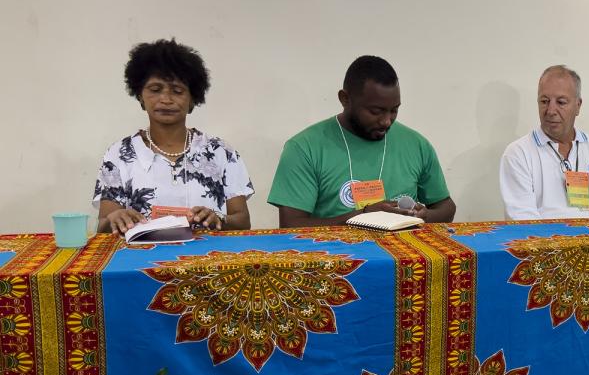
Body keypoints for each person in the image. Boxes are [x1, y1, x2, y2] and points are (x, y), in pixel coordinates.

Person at [269, 55, 456, 227]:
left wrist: (425, 216)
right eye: (375, 111)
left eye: (394, 110)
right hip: (336, 258)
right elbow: (291, 226)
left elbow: (446, 207)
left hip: (404, 260)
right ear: (345, 99)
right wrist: (363, 216)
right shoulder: (304, 148)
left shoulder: (416, 144)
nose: (386, 121)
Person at [94, 39, 253, 234]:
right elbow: (102, 225)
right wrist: (114, 218)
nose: (166, 99)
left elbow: (243, 221)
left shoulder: (221, 152)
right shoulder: (118, 154)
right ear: (140, 96)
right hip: (138, 260)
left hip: (207, 259)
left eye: (177, 91)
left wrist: (219, 219)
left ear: (193, 100)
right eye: (155, 90)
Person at [499, 65, 589, 220]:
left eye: (561, 102)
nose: (550, 110)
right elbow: (524, 221)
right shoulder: (518, 153)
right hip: (546, 242)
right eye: (544, 101)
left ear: (578, 106)